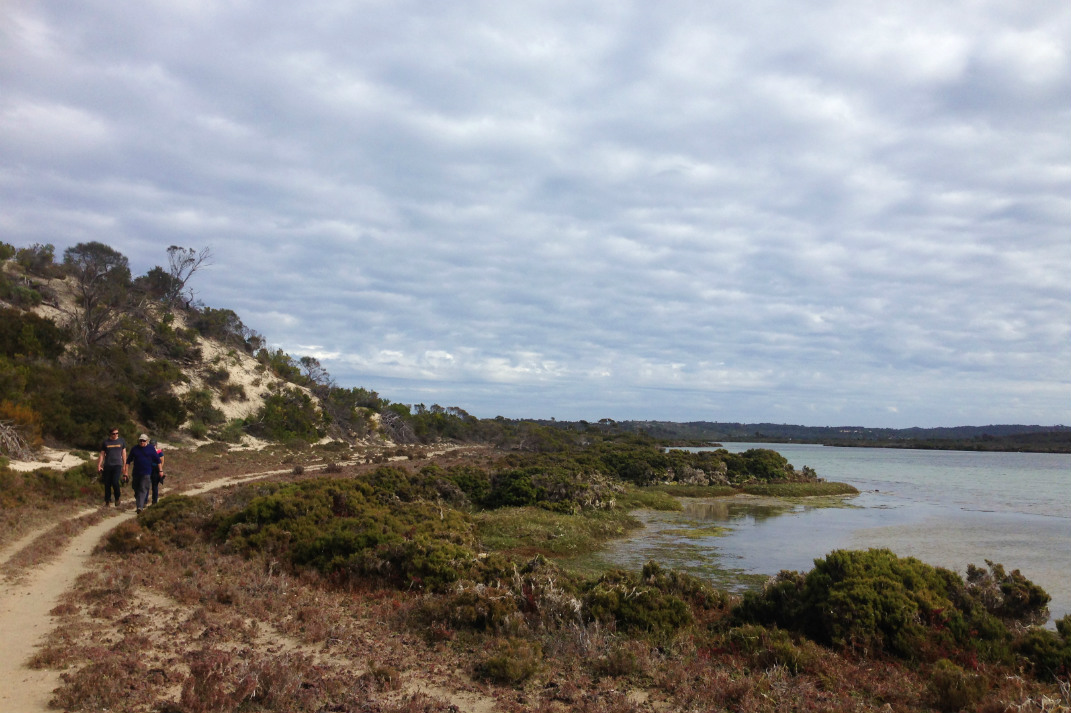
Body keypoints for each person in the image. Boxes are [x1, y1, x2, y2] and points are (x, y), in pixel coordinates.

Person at [126, 433, 161, 514]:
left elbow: (158, 460)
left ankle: (140, 507)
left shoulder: (151, 448)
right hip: (136, 473)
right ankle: (139, 503)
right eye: (140, 440)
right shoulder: (134, 449)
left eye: (143, 441)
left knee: (143, 489)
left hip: (146, 472)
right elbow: (128, 461)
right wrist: (126, 471)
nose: (142, 442)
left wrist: (160, 471)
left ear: (147, 441)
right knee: (135, 488)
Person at [97, 427, 127, 507]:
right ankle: (107, 500)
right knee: (107, 484)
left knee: (115, 482)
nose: (115, 435)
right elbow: (102, 454)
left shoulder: (121, 441)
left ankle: (117, 498)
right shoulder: (106, 442)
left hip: (117, 465)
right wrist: (99, 465)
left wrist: (124, 465)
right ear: (110, 434)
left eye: (117, 433)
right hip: (108, 465)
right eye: (114, 433)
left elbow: (124, 453)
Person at [148, 439, 165, 505]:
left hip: (156, 469)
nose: (153, 446)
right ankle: (144, 501)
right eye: (151, 445)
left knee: (154, 486)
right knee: (146, 485)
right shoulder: (148, 451)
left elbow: (162, 461)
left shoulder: (159, 452)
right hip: (149, 468)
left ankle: (154, 501)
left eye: (154, 445)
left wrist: (160, 469)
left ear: (156, 445)